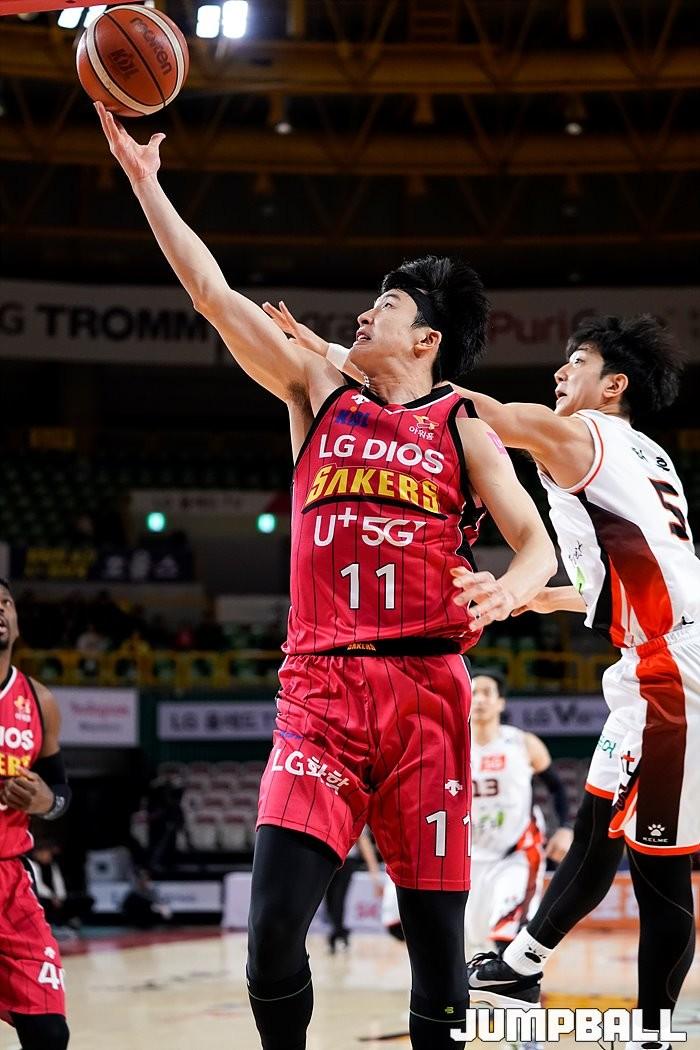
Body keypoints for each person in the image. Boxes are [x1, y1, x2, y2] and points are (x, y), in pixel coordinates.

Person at [95, 102, 556, 1050]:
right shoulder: (318, 388)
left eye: (388, 305)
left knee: (439, 960)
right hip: (321, 692)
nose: (365, 311)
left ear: (427, 339)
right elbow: (213, 295)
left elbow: (534, 541)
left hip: (427, 692)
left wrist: (511, 589)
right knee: (271, 939)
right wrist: (146, 183)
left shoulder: (463, 426)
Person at [261, 305, 700, 1045]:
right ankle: (539, 974)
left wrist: (345, 358)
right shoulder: (650, 458)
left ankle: (596, 1005)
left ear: (614, 385)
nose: (560, 371)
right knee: (612, 838)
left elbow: (470, 412)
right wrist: (536, 598)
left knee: (645, 862)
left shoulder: (581, 434)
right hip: (658, 656)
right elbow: (639, 578)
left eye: (578, 362)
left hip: (671, 673)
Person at [381, 670, 573, 956]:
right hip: (466, 858)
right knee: (474, 941)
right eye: (474, 693)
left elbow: (557, 788)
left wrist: (565, 827)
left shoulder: (522, 743)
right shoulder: (449, 745)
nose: (480, 699)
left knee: (508, 937)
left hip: (515, 853)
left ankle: (520, 980)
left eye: (487, 693)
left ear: (501, 702)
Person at [0, 578, 72, 1050]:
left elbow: (60, 793)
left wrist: (44, 800)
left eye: (5, 602)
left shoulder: (38, 701)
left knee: (49, 1030)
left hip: (11, 880)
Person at [324, 828, 383, 953]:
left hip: (346, 859)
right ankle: (337, 933)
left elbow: (363, 841)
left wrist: (374, 872)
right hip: (328, 855)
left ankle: (339, 934)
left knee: (338, 897)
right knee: (329, 899)